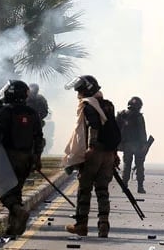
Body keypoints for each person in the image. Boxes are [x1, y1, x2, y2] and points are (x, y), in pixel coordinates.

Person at [63, 75, 121, 238]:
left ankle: (81, 225)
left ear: (87, 89)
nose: (78, 95)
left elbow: (93, 127)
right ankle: (104, 226)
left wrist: (90, 147)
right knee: (103, 190)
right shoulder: (108, 105)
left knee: (84, 189)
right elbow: (112, 128)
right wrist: (115, 153)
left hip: (94, 153)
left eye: (80, 90)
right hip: (108, 154)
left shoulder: (88, 105)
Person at [0, 80, 44, 236]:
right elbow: (39, 138)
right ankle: (13, 227)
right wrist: (37, 157)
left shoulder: (5, 112)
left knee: (2, 191)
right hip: (26, 158)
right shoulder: (32, 113)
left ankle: (18, 210)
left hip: (8, 156)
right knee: (17, 191)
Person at [116, 96, 148, 193]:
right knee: (139, 166)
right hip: (137, 145)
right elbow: (142, 131)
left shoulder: (122, 115)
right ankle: (140, 187)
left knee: (127, 165)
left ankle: (124, 186)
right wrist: (144, 144)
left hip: (126, 145)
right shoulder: (138, 117)